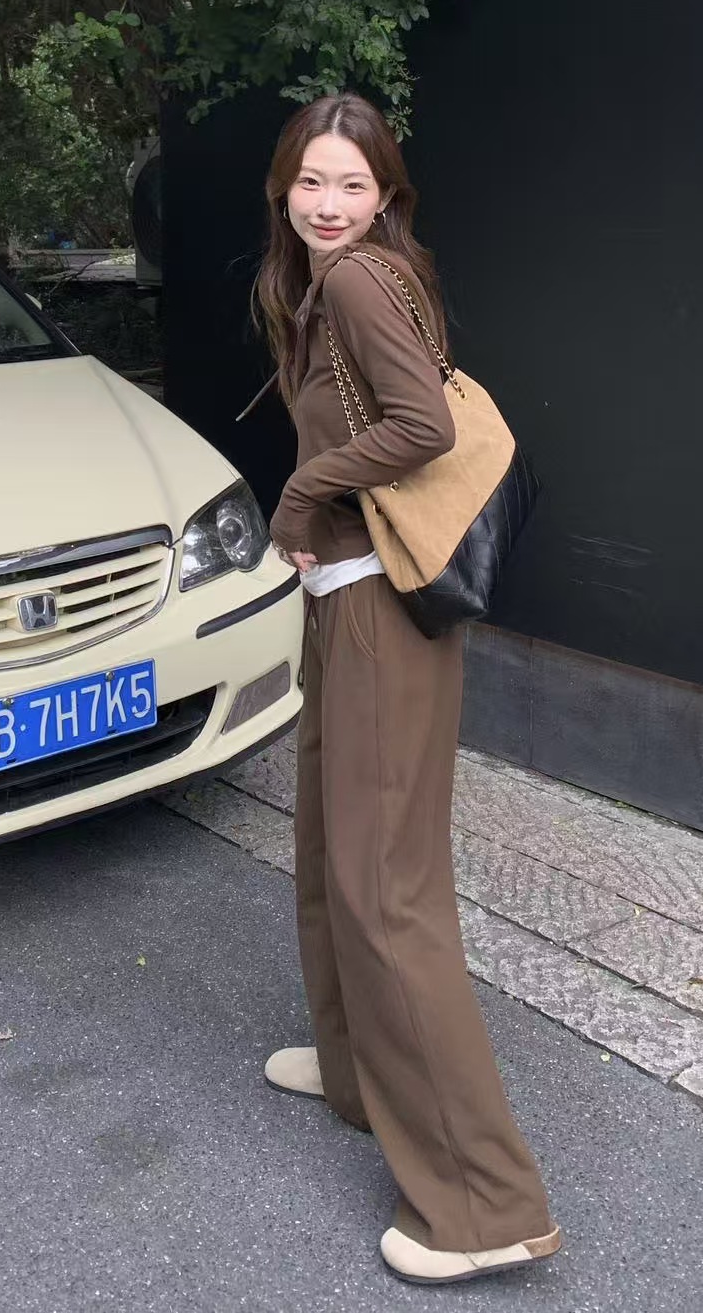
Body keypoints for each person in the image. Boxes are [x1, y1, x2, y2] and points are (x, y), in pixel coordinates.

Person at [253, 93, 560, 1286]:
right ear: (283, 185)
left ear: (384, 193)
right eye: (310, 181)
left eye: (351, 184)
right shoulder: (333, 281)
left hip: (381, 606)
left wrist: (299, 494)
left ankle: (485, 1204)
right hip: (343, 598)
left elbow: (421, 425)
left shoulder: (355, 281)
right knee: (330, 846)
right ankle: (353, 1070)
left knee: (387, 891)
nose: (327, 204)